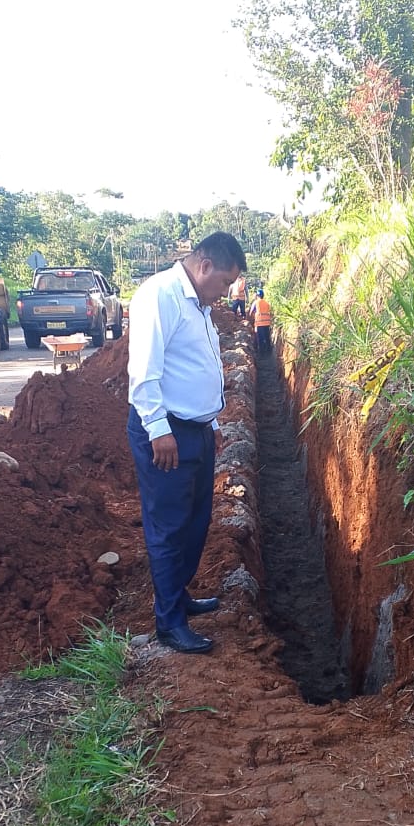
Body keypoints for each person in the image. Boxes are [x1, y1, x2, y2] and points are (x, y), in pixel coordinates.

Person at [127, 232, 247, 654]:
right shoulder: (160, 295)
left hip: (195, 431)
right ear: (204, 266)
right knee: (169, 526)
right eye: (225, 282)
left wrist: (210, 421)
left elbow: (195, 367)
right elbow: (144, 370)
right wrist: (158, 429)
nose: (226, 292)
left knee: (195, 521)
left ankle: (179, 597)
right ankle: (169, 623)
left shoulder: (198, 304)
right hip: (168, 434)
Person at [249, 287, 272, 354]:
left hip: (259, 324)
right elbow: (269, 312)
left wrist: (251, 321)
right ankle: (269, 351)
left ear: (257, 295)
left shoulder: (255, 302)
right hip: (267, 323)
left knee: (260, 339)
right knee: (267, 338)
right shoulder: (267, 303)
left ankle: (262, 354)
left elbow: (251, 312)